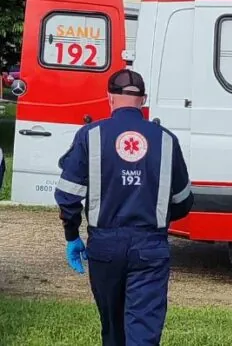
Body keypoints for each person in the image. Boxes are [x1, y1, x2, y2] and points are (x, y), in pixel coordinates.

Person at [54, 68, 194, 346]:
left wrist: (72, 236)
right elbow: (183, 201)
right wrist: (158, 220)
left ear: (109, 98)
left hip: (104, 245)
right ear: (143, 100)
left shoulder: (90, 135)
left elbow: (67, 196)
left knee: (113, 329)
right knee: (143, 331)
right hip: (149, 246)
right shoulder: (166, 140)